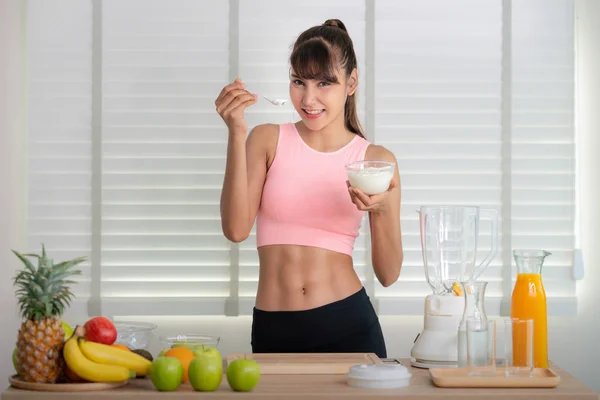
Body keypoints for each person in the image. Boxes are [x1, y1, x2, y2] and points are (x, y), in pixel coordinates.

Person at [215, 19, 403, 358]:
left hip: (348, 326)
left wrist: (384, 208)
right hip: (273, 329)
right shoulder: (267, 139)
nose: (308, 98)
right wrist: (236, 130)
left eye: (324, 83)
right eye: (298, 81)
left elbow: (388, 275)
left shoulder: (374, 160)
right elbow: (235, 229)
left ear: (351, 83)